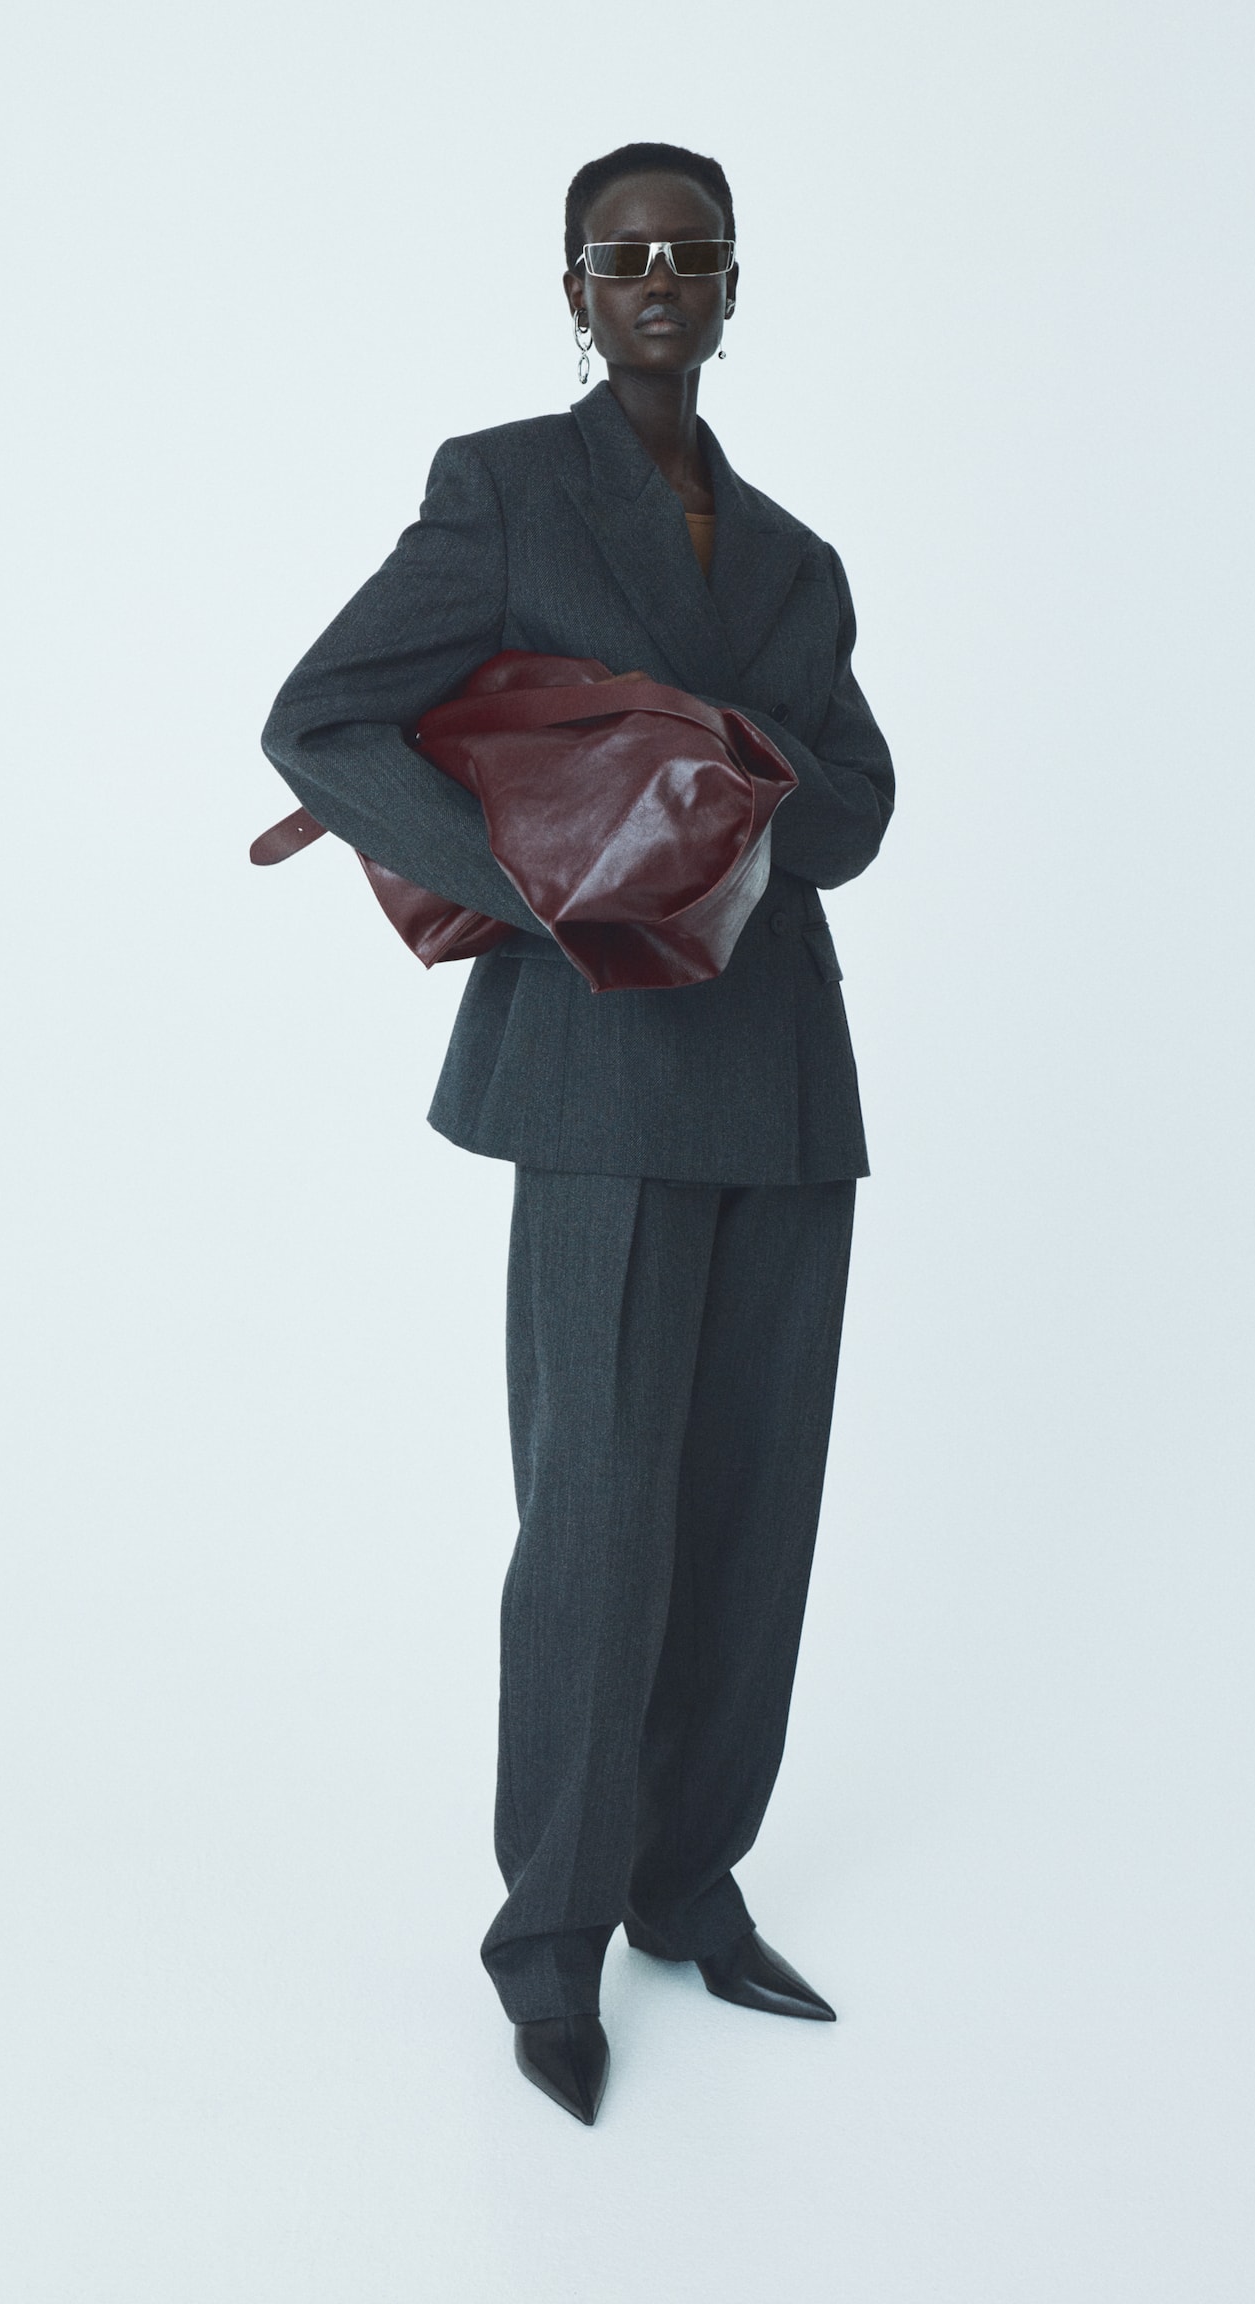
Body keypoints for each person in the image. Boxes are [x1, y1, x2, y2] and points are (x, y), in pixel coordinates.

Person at [260, 141, 895, 2125]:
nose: (658, 279)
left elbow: (862, 806)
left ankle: (689, 1888)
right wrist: (559, 880)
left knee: (751, 1523)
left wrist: (729, 787)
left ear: (733, 285)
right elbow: (321, 724)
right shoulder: (506, 490)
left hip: (783, 1081)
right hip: (602, 1073)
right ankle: (548, 1943)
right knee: (601, 1524)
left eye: (692, 252)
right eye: (623, 255)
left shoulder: (794, 558)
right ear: (573, 290)